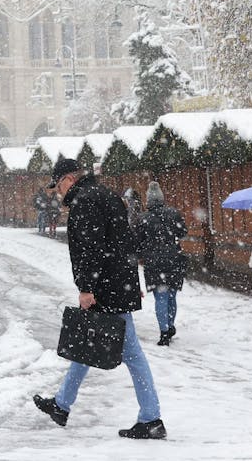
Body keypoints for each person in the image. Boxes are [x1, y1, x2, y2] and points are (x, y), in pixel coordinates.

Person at [32, 157, 167, 440]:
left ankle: (151, 418)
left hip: (105, 287)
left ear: (68, 179)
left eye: (58, 187)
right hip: (116, 284)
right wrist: (130, 281)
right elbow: (125, 241)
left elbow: (91, 249)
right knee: (85, 342)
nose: (58, 193)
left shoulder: (84, 202)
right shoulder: (107, 195)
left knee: (131, 354)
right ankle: (61, 404)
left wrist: (86, 288)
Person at [137, 182, 188, 346]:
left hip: (153, 262)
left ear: (148, 200)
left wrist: (141, 253)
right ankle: (171, 325)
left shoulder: (143, 218)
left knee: (161, 296)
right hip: (173, 259)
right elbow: (183, 232)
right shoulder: (173, 214)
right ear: (161, 198)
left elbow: (136, 241)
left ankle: (164, 331)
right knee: (171, 294)